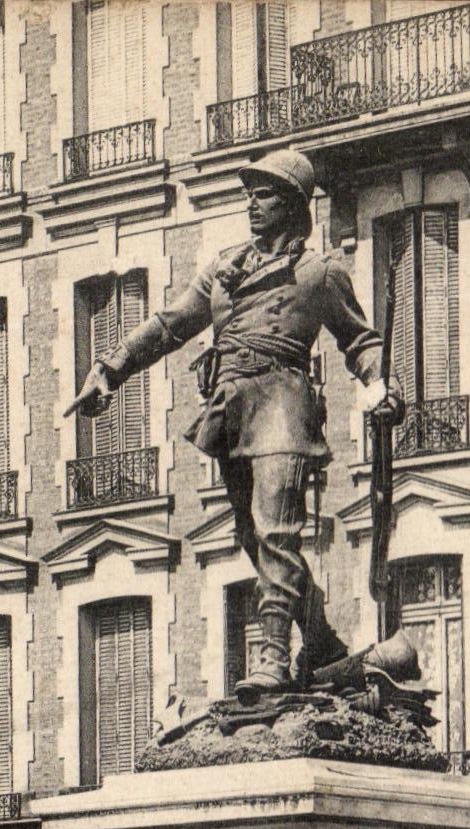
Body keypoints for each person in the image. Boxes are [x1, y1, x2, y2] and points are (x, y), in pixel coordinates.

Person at [67, 147, 403, 699]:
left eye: (265, 193)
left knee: (277, 531)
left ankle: (273, 657)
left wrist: (380, 387)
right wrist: (111, 368)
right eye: (249, 192)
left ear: (293, 206)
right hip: (230, 411)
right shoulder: (222, 273)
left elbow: (360, 341)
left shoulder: (317, 274)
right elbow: (169, 325)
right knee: (252, 535)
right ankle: (319, 638)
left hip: (283, 408)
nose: (252, 202)